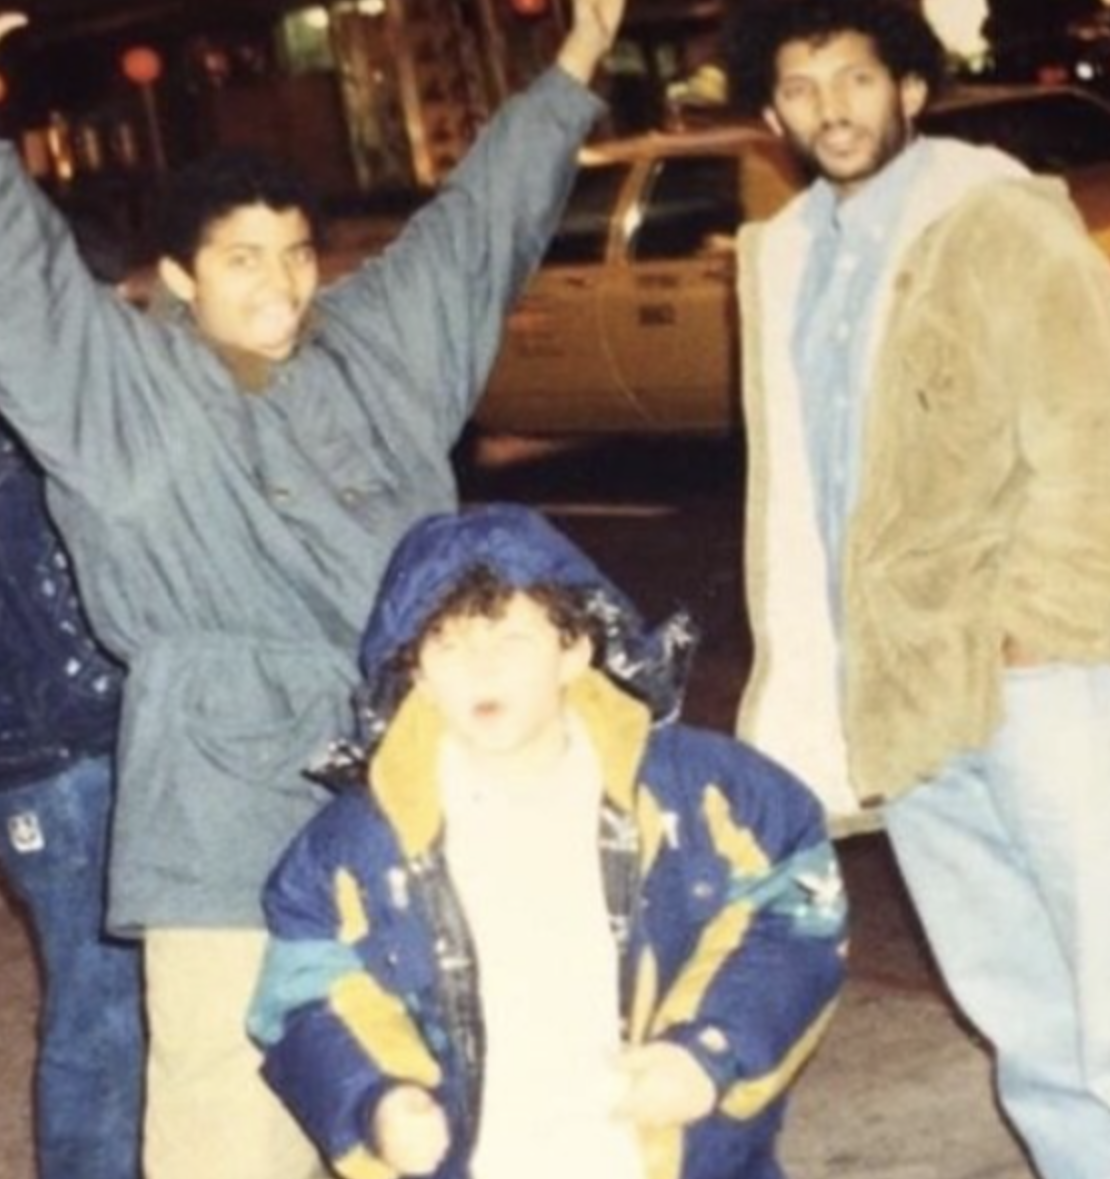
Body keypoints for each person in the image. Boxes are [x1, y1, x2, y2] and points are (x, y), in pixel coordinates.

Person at [0, 0, 633, 1179]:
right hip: (222, 807)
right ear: (179, 276)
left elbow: (480, 226)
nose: (280, 285)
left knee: (432, 1093)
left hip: (416, 787)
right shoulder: (120, 392)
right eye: (242, 261)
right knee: (229, 1119)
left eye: (294, 253)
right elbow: (14, 285)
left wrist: (579, 60)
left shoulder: (375, 351)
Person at [722, 0, 1110, 1179]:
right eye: (799, 88)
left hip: (1041, 677)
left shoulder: (989, 219)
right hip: (905, 689)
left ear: (911, 88)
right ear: (773, 115)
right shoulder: (786, 259)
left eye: (852, 78)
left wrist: (1042, 626)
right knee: (1029, 1022)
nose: (829, 109)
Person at [247, 503, 847, 1179]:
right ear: (414, 671)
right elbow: (304, 992)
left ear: (574, 650)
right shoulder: (356, 847)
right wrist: (374, 1101)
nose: (481, 669)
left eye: (511, 641)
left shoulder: (699, 791)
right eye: (447, 644)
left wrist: (712, 1050)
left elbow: (795, 903)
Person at [0, 348, 143, 1179]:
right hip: (66, 767)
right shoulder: (9, 451)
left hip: (21, 771)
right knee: (102, 1002)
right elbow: (68, 645)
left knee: (97, 993)